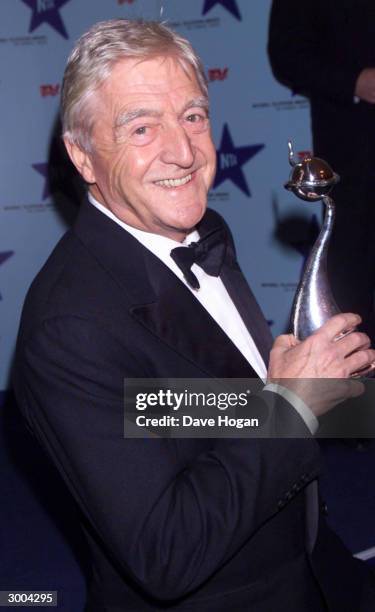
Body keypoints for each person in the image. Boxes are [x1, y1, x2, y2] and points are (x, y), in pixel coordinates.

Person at [13, 19, 375, 611]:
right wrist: (292, 406)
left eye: (193, 116)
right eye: (141, 126)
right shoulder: (68, 329)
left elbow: (170, 413)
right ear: (82, 157)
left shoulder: (198, 228)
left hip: (312, 567)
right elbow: (167, 549)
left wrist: (268, 390)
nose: (183, 152)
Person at [268, 0, 375, 345]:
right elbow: (286, 52)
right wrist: (355, 81)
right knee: (350, 276)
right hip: (356, 152)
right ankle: (350, 389)